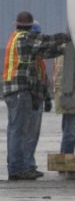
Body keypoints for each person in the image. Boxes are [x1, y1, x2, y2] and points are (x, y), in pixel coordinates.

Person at [3, 11, 70, 180]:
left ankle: (19, 167)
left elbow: (45, 52)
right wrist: (69, 36)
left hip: (15, 91)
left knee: (16, 131)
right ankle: (18, 169)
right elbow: (46, 41)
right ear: (30, 27)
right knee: (19, 132)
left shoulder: (18, 39)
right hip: (20, 91)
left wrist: (62, 50)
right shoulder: (25, 38)